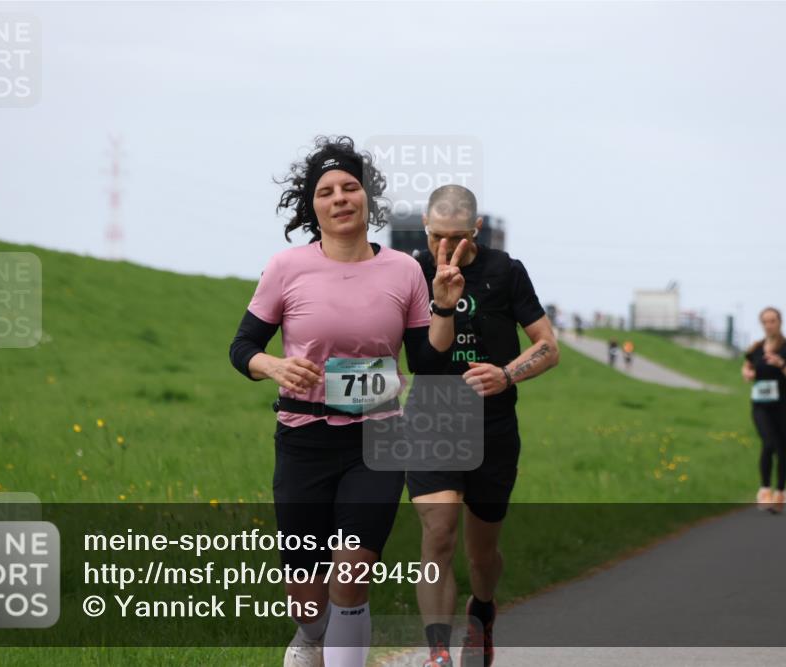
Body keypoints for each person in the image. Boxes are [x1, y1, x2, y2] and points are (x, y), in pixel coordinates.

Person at [228, 136, 465, 667]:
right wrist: (273, 365)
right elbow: (241, 348)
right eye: (327, 191)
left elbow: (428, 364)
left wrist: (445, 310)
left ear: (366, 198)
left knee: (352, 574)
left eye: (350, 187)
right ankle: (312, 636)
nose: (340, 198)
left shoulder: (404, 271)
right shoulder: (287, 267)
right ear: (311, 206)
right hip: (302, 437)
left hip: (377, 435)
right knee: (308, 599)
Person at [406, 185, 559, 667]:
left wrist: (507, 373)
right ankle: (437, 654)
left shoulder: (505, 272)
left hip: (492, 427)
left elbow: (548, 347)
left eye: (458, 237)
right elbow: (403, 351)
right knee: (439, 532)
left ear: (477, 230)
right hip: (431, 419)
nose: (446, 248)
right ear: (425, 231)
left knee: (481, 554)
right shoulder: (412, 271)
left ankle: (483, 610)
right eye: (436, 237)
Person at [740, 307, 786, 514]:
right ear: (762, 324)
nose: (769, 325)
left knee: (783, 451)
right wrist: (748, 374)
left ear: (780, 322)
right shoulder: (756, 348)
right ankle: (764, 490)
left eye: (773, 321)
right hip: (761, 406)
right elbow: (746, 367)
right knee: (769, 443)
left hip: (784, 408)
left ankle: (780, 492)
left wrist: (781, 364)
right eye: (765, 321)